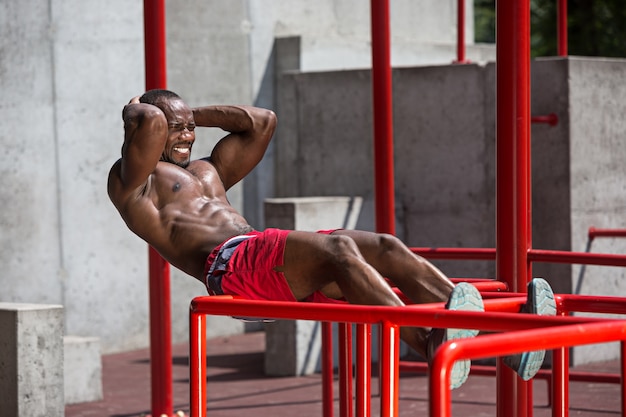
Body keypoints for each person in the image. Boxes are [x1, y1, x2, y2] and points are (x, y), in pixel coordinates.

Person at [107, 89, 555, 389]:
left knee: (384, 246)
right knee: (341, 250)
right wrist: (142, 109)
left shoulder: (207, 169)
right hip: (230, 267)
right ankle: (429, 345)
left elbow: (262, 122)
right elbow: (148, 121)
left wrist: (190, 113)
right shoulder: (134, 183)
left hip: (265, 253)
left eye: (190, 129)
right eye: (177, 128)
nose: (186, 136)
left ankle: (510, 338)